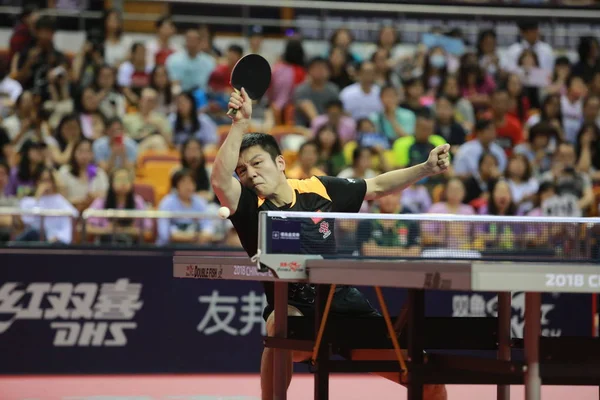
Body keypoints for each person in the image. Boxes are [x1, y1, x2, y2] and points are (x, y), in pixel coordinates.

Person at [211, 88, 449, 400]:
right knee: (278, 322)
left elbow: (376, 186)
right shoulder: (248, 207)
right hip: (295, 310)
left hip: (343, 304)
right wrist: (240, 125)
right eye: (243, 171)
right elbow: (218, 179)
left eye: (257, 163)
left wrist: (426, 169)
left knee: (430, 384)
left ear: (280, 163)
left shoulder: (318, 188)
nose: (251, 174)